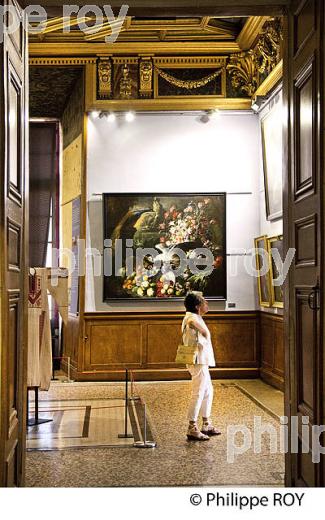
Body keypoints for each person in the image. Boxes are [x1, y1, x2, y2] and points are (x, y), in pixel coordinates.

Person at [182, 291, 221, 441]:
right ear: (198, 306)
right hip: (197, 361)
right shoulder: (191, 318)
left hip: (202, 361)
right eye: (204, 302)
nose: (207, 304)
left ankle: (206, 423)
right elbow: (190, 322)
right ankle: (192, 426)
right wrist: (203, 330)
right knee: (198, 392)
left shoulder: (196, 316)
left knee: (208, 391)